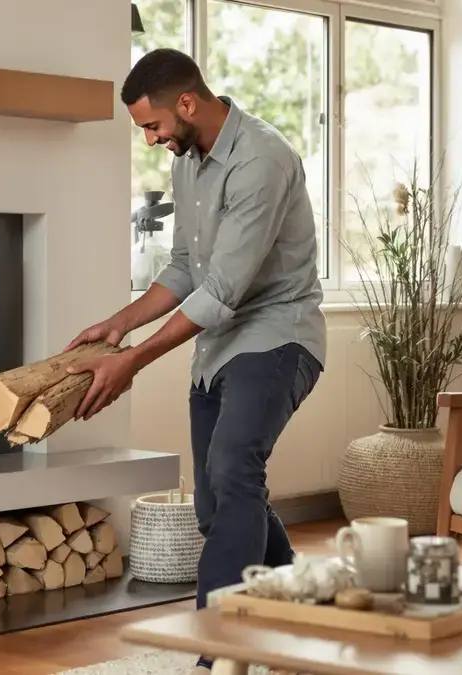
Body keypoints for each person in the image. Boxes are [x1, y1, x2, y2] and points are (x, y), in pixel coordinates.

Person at [65, 47, 327, 662]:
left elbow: (225, 291)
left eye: (152, 126)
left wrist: (133, 361)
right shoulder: (191, 161)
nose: (152, 139)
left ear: (186, 103)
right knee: (216, 504)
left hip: (277, 336)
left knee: (235, 472)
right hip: (219, 345)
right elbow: (186, 267)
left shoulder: (261, 159)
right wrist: (116, 326)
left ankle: (216, 653)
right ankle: (305, 609)